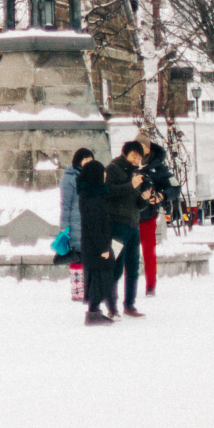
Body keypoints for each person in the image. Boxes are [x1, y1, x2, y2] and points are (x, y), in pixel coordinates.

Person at [102, 142, 153, 317]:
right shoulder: (113, 169)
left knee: (133, 267)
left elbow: (136, 204)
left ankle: (129, 305)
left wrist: (145, 199)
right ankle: (111, 306)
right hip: (116, 226)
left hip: (133, 226)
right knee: (115, 267)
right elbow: (107, 192)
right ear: (124, 153)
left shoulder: (135, 173)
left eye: (139, 157)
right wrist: (131, 185)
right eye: (134, 156)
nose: (137, 160)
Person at [78, 158, 115, 325]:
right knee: (97, 279)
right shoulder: (92, 197)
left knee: (99, 278)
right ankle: (92, 314)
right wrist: (103, 247)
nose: (105, 175)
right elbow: (93, 225)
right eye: (102, 172)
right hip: (95, 246)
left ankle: (95, 311)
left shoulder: (94, 193)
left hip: (94, 245)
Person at [138, 134, 176, 295]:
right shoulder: (128, 164)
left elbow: (174, 187)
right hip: (128, 216)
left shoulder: (159, 167)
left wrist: (161, 195)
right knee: (126, 252)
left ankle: (150, 285)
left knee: (148, 251)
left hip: (147, 215)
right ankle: (127, 284)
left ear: (148, 149)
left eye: (141, 147)